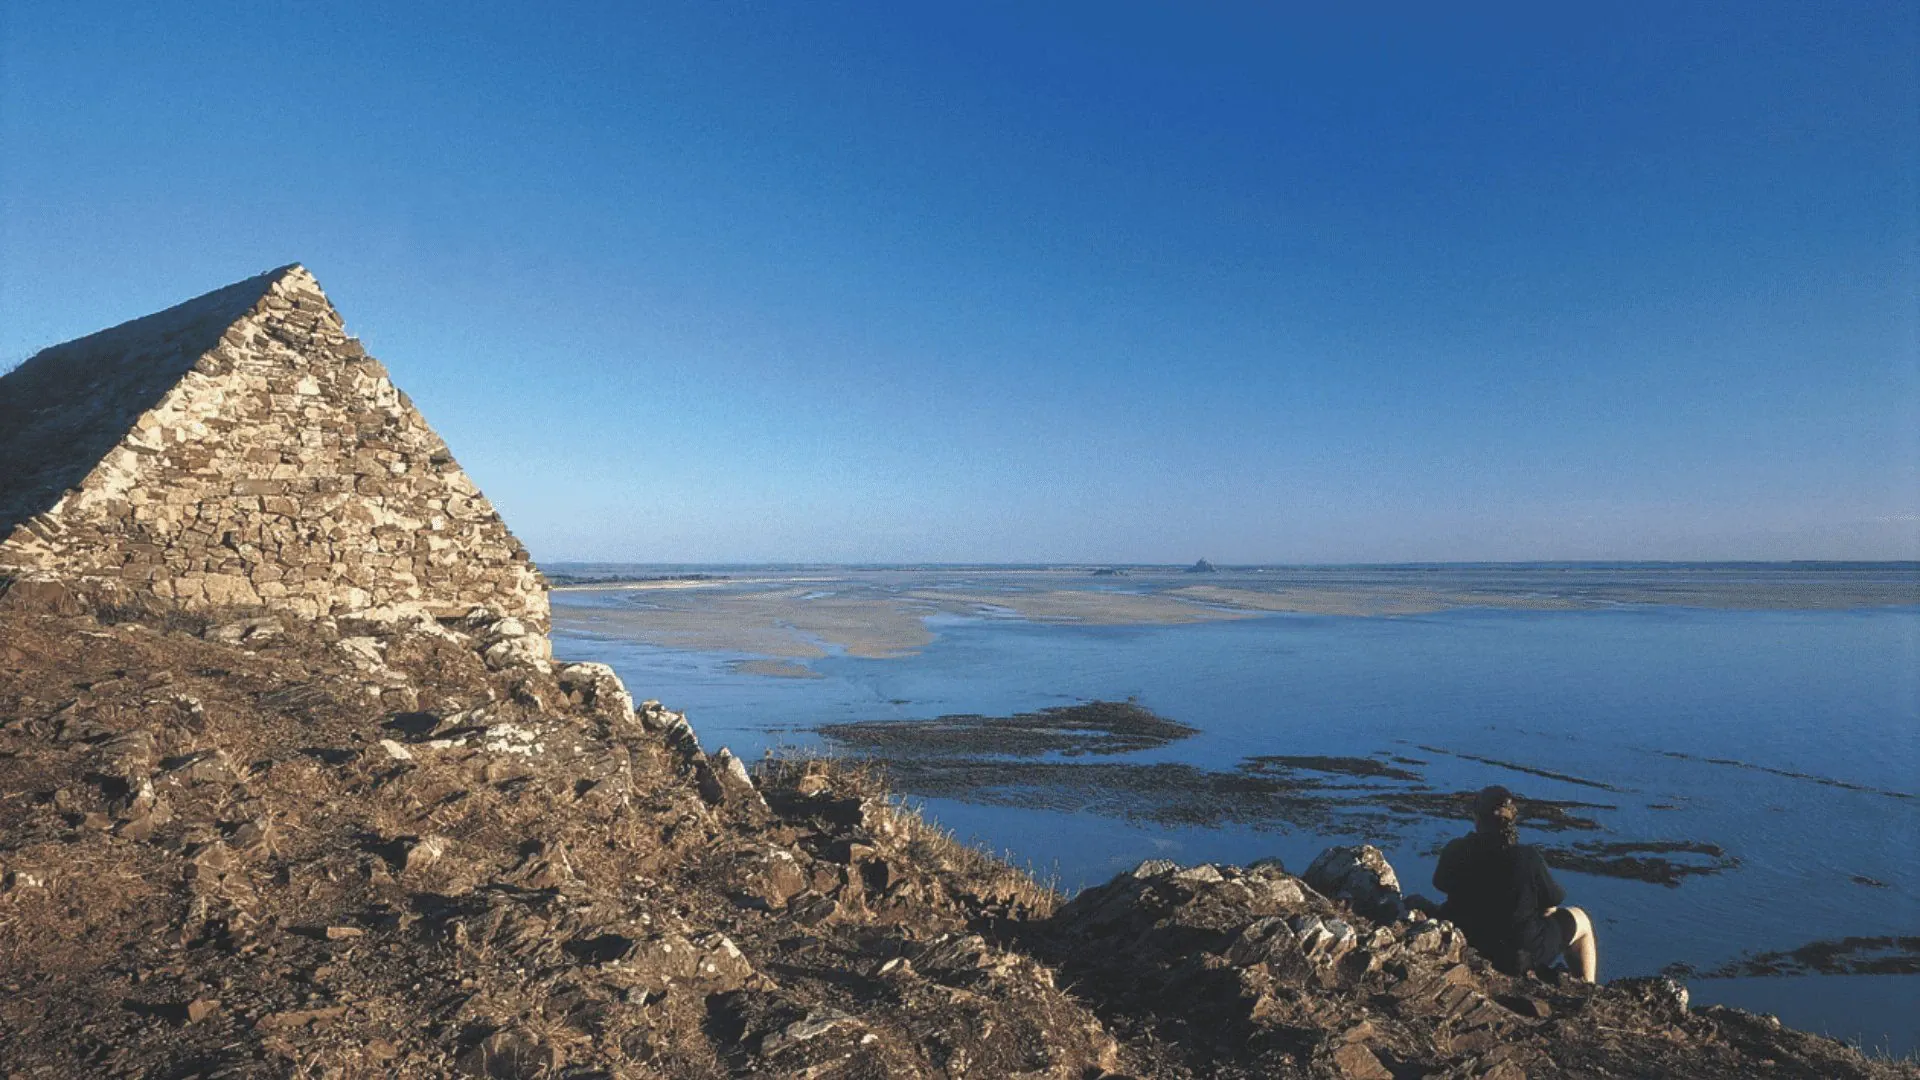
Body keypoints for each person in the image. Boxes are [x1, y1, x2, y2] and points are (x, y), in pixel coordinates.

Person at [1432, 785, 1598, 982]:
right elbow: (1554, 899)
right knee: (1581, 920)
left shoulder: (1456, 849)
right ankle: (1588, 986)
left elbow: (1440, 883)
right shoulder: (1527, 858)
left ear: (1477, 816)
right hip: (1516, 953)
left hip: (1468, 937)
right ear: (1513, 820)